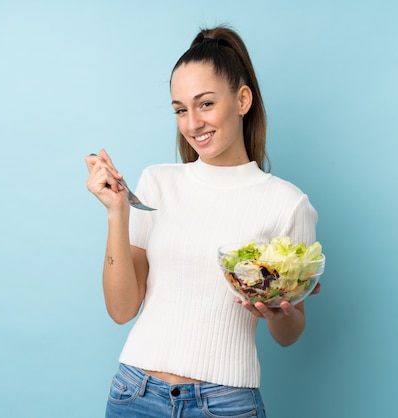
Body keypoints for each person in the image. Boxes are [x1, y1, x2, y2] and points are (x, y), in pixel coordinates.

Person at [85, 26, 319, 418]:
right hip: (134, 395)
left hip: (226, 405)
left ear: (242, 99)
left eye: (205, 104)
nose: (193, 123)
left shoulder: (287, 203)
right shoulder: (157, 183)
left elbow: (289, 335)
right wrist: (117, 213)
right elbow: (122, 309)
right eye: (180, 109)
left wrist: (281, 312)